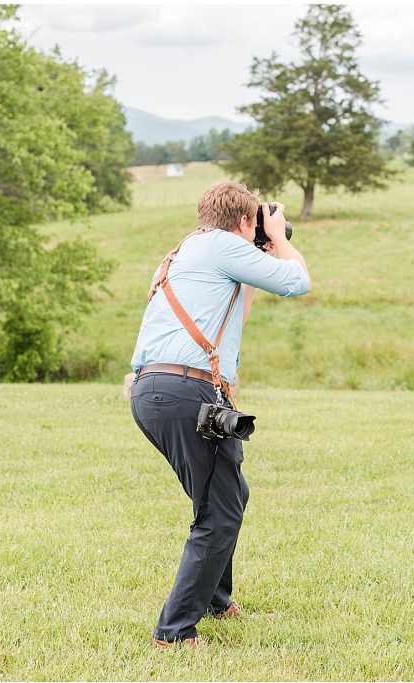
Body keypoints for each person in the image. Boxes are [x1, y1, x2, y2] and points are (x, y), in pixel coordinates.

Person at [129, 181, 310, 647]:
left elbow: (233, 321)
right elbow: (297, 281)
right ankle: (174, 631)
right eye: (256, 222)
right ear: (245, 221)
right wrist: (281, 241)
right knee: (219, 511)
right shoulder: (225, 245)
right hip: (188, 391)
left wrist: (257, 258)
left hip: (154, 390)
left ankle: (216, 600)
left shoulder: (182, 252)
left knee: (225, 497)